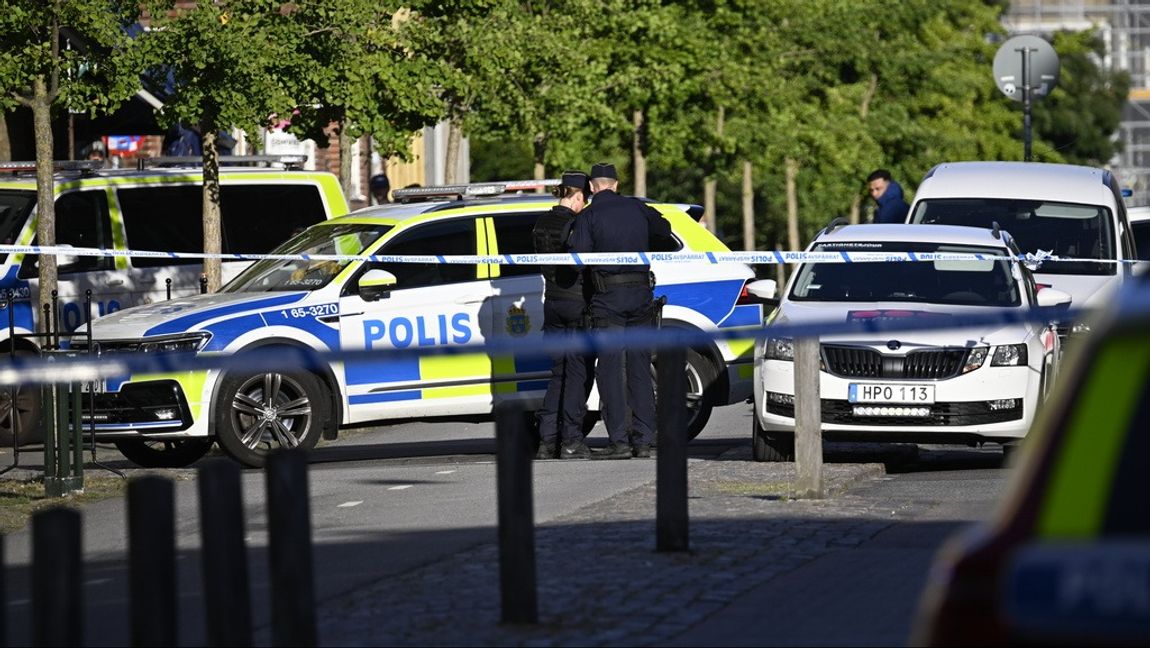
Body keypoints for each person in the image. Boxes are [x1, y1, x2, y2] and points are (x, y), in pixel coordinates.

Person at [571, 162, 673, 459]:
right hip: (641, 295)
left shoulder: (589, 215)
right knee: (641, 369)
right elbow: (665, 232)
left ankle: (619, 441)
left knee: (611, 371)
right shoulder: (639, 209)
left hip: (608, 300)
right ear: (616, 184)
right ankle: (644, 440)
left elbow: (577, 256)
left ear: (592, 186)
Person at [532, 171, 594, 460]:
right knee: (577, 374)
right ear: (578, 196)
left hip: (552, 303)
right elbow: (581, 266)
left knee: (558, 374)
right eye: (585, 200)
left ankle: (547, 440)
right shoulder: (576, 223)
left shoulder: (542, 222)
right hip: (575, 304)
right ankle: (571, 439)